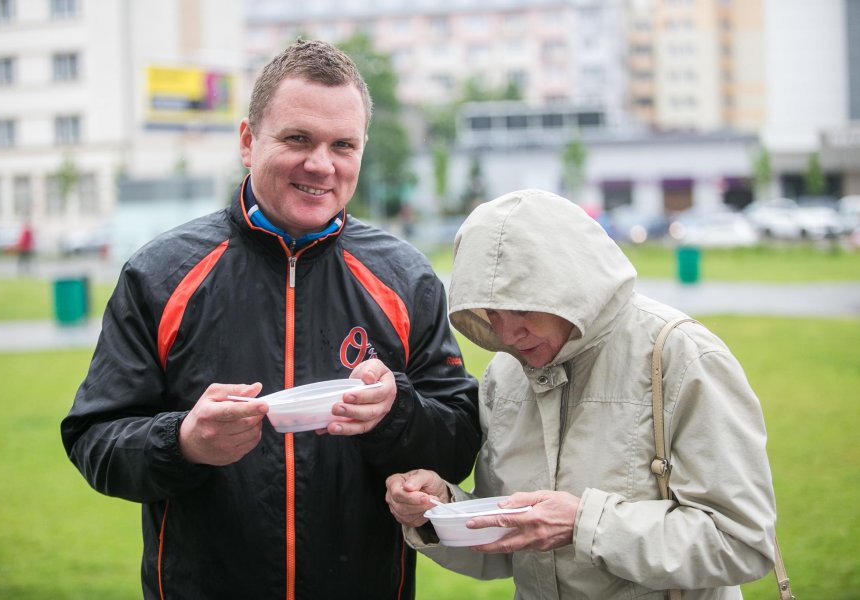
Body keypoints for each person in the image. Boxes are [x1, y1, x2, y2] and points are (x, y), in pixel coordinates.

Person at [61, 39, 480, 600]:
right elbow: (95, 439)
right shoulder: (159, 275)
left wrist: (396, 412)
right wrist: (183, 441)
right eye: (298, 139)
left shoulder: (406, 277)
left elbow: (460, 441)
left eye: (343, 145)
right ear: (247, 141)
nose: (321, 164)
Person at [385, 189, 778, 599]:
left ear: (570, 283)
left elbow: (742, 542)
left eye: (521, 307)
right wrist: (440, 508)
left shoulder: (682, 357)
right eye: (491, 313)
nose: (506, 333)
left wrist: (584, 525)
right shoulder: (506, 373)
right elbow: (506, 547)